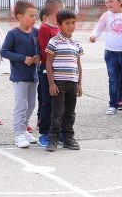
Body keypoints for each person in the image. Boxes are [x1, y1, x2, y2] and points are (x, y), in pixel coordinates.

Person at [1, 0, 41, 148]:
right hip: (20, 76)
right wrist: (23, 59)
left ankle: (24, 129)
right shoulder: (13, 34)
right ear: (19, 17)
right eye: (30, 15)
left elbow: (41, 50)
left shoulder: (36, 32)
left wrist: (39, 58)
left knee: (31, 105)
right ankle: (18, 134)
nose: (34, 18)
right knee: (21, 105)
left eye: (35, 15)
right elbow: (4, 51)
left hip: (33, 75)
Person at [45, 10, 84, 152]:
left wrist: (79, 84)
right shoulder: (54, 41)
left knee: (70, 112)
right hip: (59, 83)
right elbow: (48, 63)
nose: (71, 26)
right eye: (67, 23)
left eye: (73, 23)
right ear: (59, 25)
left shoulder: (76, 44)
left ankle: (68, 138)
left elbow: (78, 64)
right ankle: (53, 139)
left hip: (72, 83)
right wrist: (51, 83)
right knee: (57, 112)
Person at [89, 0, 122, 115]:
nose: (108, 4)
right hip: (111, 54)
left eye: (111, 1)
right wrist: (93, 36)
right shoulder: (105, 16)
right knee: (113, 80)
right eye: (106, 2)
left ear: (120, 2)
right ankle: (113, 104)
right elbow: (99, 28)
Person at [37, 0, 64, 147]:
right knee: (47, 102)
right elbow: (46, 53)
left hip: (60, 69)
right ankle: (44, 133)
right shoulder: (45, 29)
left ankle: (57, 132)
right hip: (48, 69)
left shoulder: (59, 29)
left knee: (59, 103)